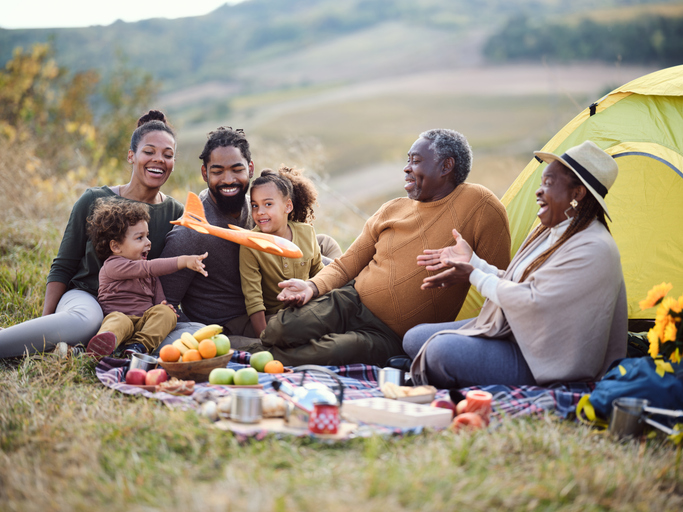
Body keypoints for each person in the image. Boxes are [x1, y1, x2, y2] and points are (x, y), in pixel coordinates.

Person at [262, 129, 511, 367]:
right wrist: (312, 286)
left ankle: (257, 357)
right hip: (351, 299)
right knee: (278, 329)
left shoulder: (480, 205)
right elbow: (348, 262)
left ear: (446, 166)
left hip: (389, 335)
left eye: (415, 161)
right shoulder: (393, 208)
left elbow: (499, 284)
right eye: (407, 160)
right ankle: (267, 351)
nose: (407, 168)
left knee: (328, 351)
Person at [404, 140, 628, 388]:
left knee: (438, 350)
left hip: (543, 359)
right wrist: (473, 262)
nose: (538, 191)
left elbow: (535, 303)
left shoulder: (594, 248)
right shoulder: (551, 231)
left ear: (577, 194)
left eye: (549, 184)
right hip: (513, 332)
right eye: (541, 183)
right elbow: (518, 283)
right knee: (414, 338)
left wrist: (474, 276)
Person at [0, 110, 184, 358]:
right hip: (87, 298)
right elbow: (64, 265)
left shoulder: (175, 213)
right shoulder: (94, 199)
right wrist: (49, 321)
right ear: (132, 156)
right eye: (149, 152)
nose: (159, 160)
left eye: (168, 155)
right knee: (86, 321)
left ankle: (115, 347)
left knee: (184, 332)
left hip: (134, 312)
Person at [158, 128, 342, 350]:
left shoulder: (255, 206)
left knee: (327, 247)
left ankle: (344, 297)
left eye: (237, 169)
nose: (228, 180)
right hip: (234, 323)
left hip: (276, 297)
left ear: (250, 168)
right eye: (217, 172)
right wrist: (198, 337)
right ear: (205, 173)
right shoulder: (190, 235)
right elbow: (164, 304)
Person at [84, 199, 208, 357]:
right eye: (139, 238)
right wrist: (184, 261)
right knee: (117, 320)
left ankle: (139, 347)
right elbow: (147, 268)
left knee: (166, 313)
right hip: (121, 320)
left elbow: (159, 302)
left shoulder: (150, 275)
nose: (148, 243)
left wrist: (165, 308)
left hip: (144, 324)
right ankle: (104, 344)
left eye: (147, 236)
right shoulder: (113, 266)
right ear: (115, 246)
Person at [240, 165, 324, 337]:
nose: (260, 212)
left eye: (268, 204)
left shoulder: (306, 232)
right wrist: (265, 339)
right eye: (254, 206)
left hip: (309, 307)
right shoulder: (250, 244)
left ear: (287, 207)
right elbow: (253, 300)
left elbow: (320, 275)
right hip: (276, 318)